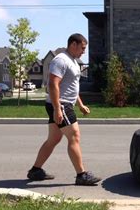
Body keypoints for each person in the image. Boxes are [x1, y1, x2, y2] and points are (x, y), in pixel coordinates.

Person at [27, 33, 101, 185]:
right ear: (73, 44)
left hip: (63, 103)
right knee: (74, 136)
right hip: (61, 104)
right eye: (82, 47)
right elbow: (53, 85)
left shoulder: (72, 61)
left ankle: (35, 170)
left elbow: (71, 86)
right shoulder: (61, 60)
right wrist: (57, 109)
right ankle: (82, 175)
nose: (84, 51)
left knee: (54, 139)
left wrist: (80, 104)